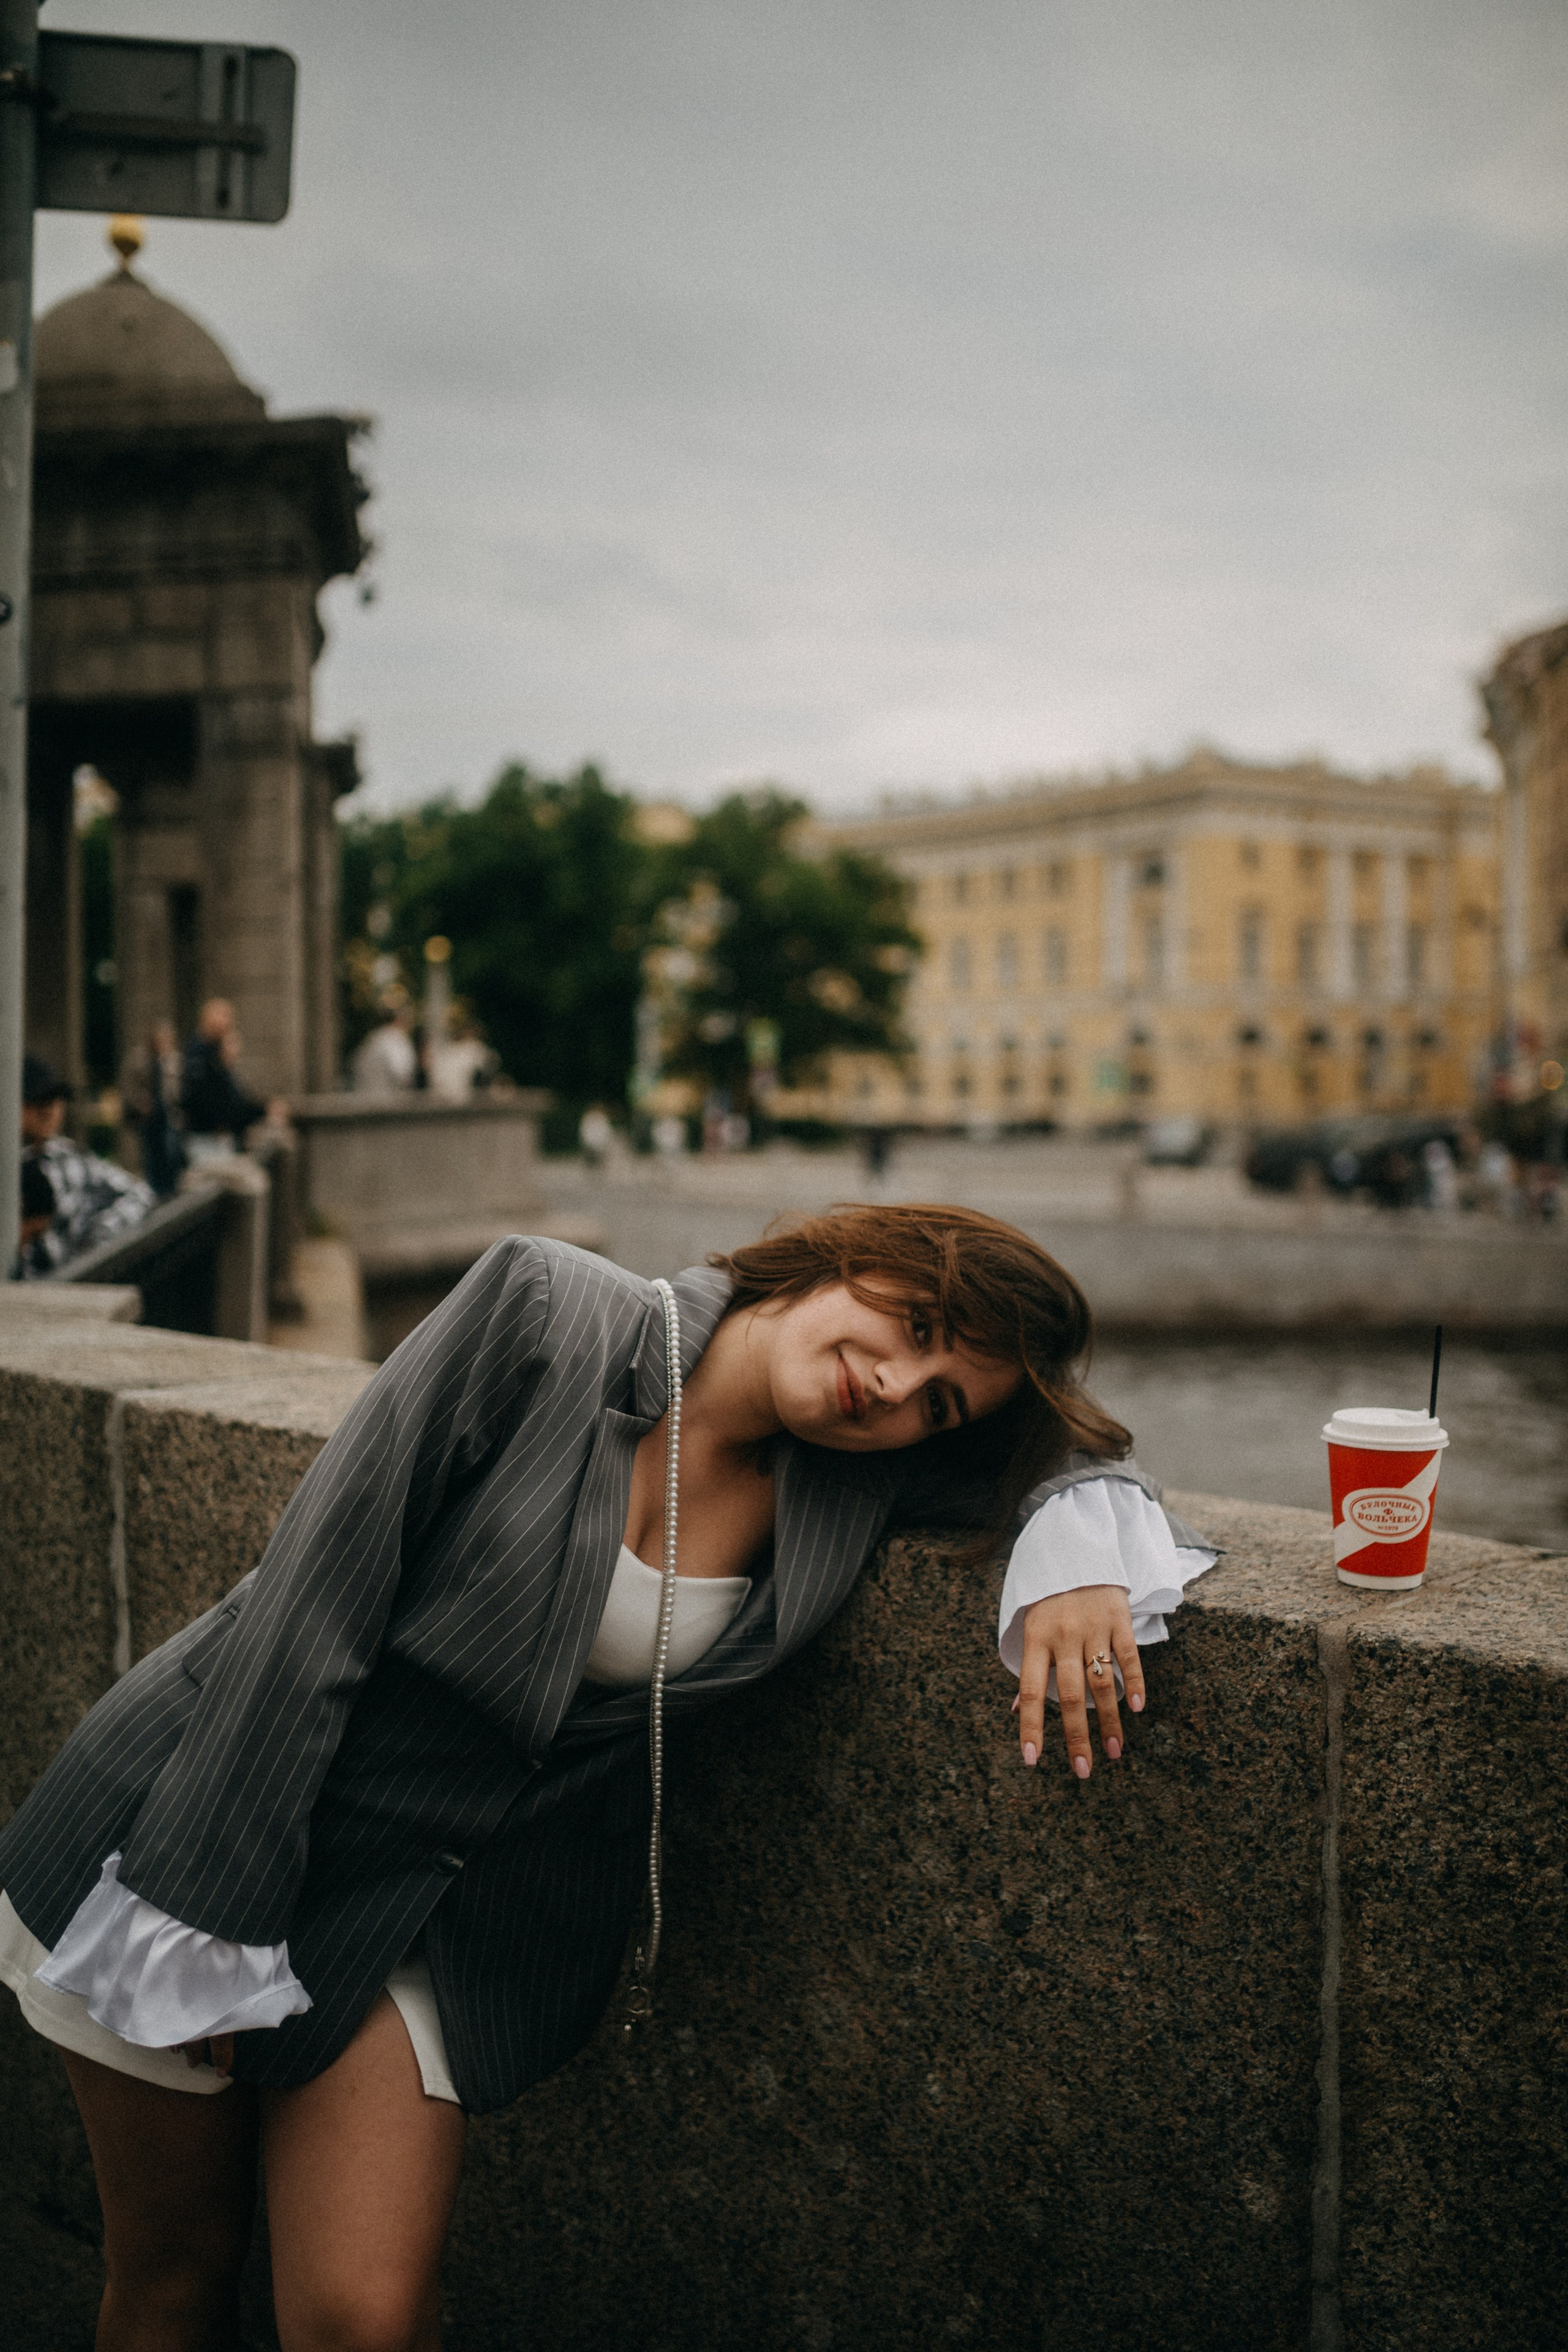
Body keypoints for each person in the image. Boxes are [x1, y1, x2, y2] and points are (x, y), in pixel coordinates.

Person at [0, 1206, 1212, 2350]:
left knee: (362, 2322)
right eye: (918, 1324)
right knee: (173, 2282)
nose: (895, 1385)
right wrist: (210, 1913)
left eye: (936, 1400)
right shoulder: (542, 1308)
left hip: (425, 1913)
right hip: (193, 1830)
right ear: (850, 1254)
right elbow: (313, 1604)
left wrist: (1076, 1552)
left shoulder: (849, 1478)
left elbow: (1054, 1450)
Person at [14, 1055, 154, 1280]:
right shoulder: (12, 1166)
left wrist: (95, 1241)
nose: (49, 1109)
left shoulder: (71, 1156)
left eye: (55, 1099)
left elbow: (139, 1193)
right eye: (37, 1100)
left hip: (72, 1286)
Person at [181, 1000, 275, 1155]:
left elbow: (237, 1099)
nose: (228, 1023)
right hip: (207, 1137)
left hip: (221, 1137)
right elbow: (209, 1098)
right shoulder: (200, 1053)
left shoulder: (215, 1056)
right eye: (223, 1016)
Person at [121, 1020, 188, 1198]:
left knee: (171, 1153)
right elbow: (128, 1086)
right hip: (147, 1117)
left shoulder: (174, 1061)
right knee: (151, 1155)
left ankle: (169, 1190)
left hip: (169, 1116)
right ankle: (153, 1191)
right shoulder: (139, 1059)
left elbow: (181, 1089)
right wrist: (141, 1103)